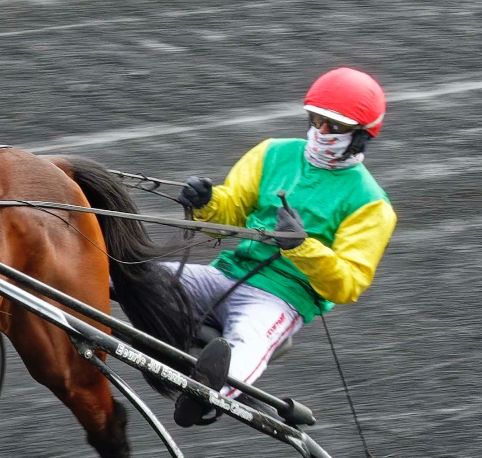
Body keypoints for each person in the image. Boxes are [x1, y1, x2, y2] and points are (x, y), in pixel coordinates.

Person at [167, 66, 398, 427]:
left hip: (279, 300)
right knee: (135, 274)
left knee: (246, 342)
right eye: (316, 120)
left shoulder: (372, 205)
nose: (321, 131)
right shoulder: (271, 153)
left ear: (361, 135)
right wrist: (206, 201)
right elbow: (231, 213)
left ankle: (209, 398)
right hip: (223, 275)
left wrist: (300, 247)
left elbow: (347, 283)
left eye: (333, 126)